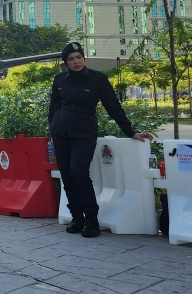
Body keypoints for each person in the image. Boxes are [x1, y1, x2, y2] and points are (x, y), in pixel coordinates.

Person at [50, 42, 154, 238]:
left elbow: (113, 107)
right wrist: (51, 132)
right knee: (67, 175)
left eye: (78, 57)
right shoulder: (59, 80)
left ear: (84, 58)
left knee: (79, 172)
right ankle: (77, 218)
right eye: (71, 59)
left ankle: (91, 220)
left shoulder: (97, 79)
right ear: (66, 63)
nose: (76, 61)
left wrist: (130, 132)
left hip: (83, 132)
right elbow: (53, 106)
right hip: (60, 132)